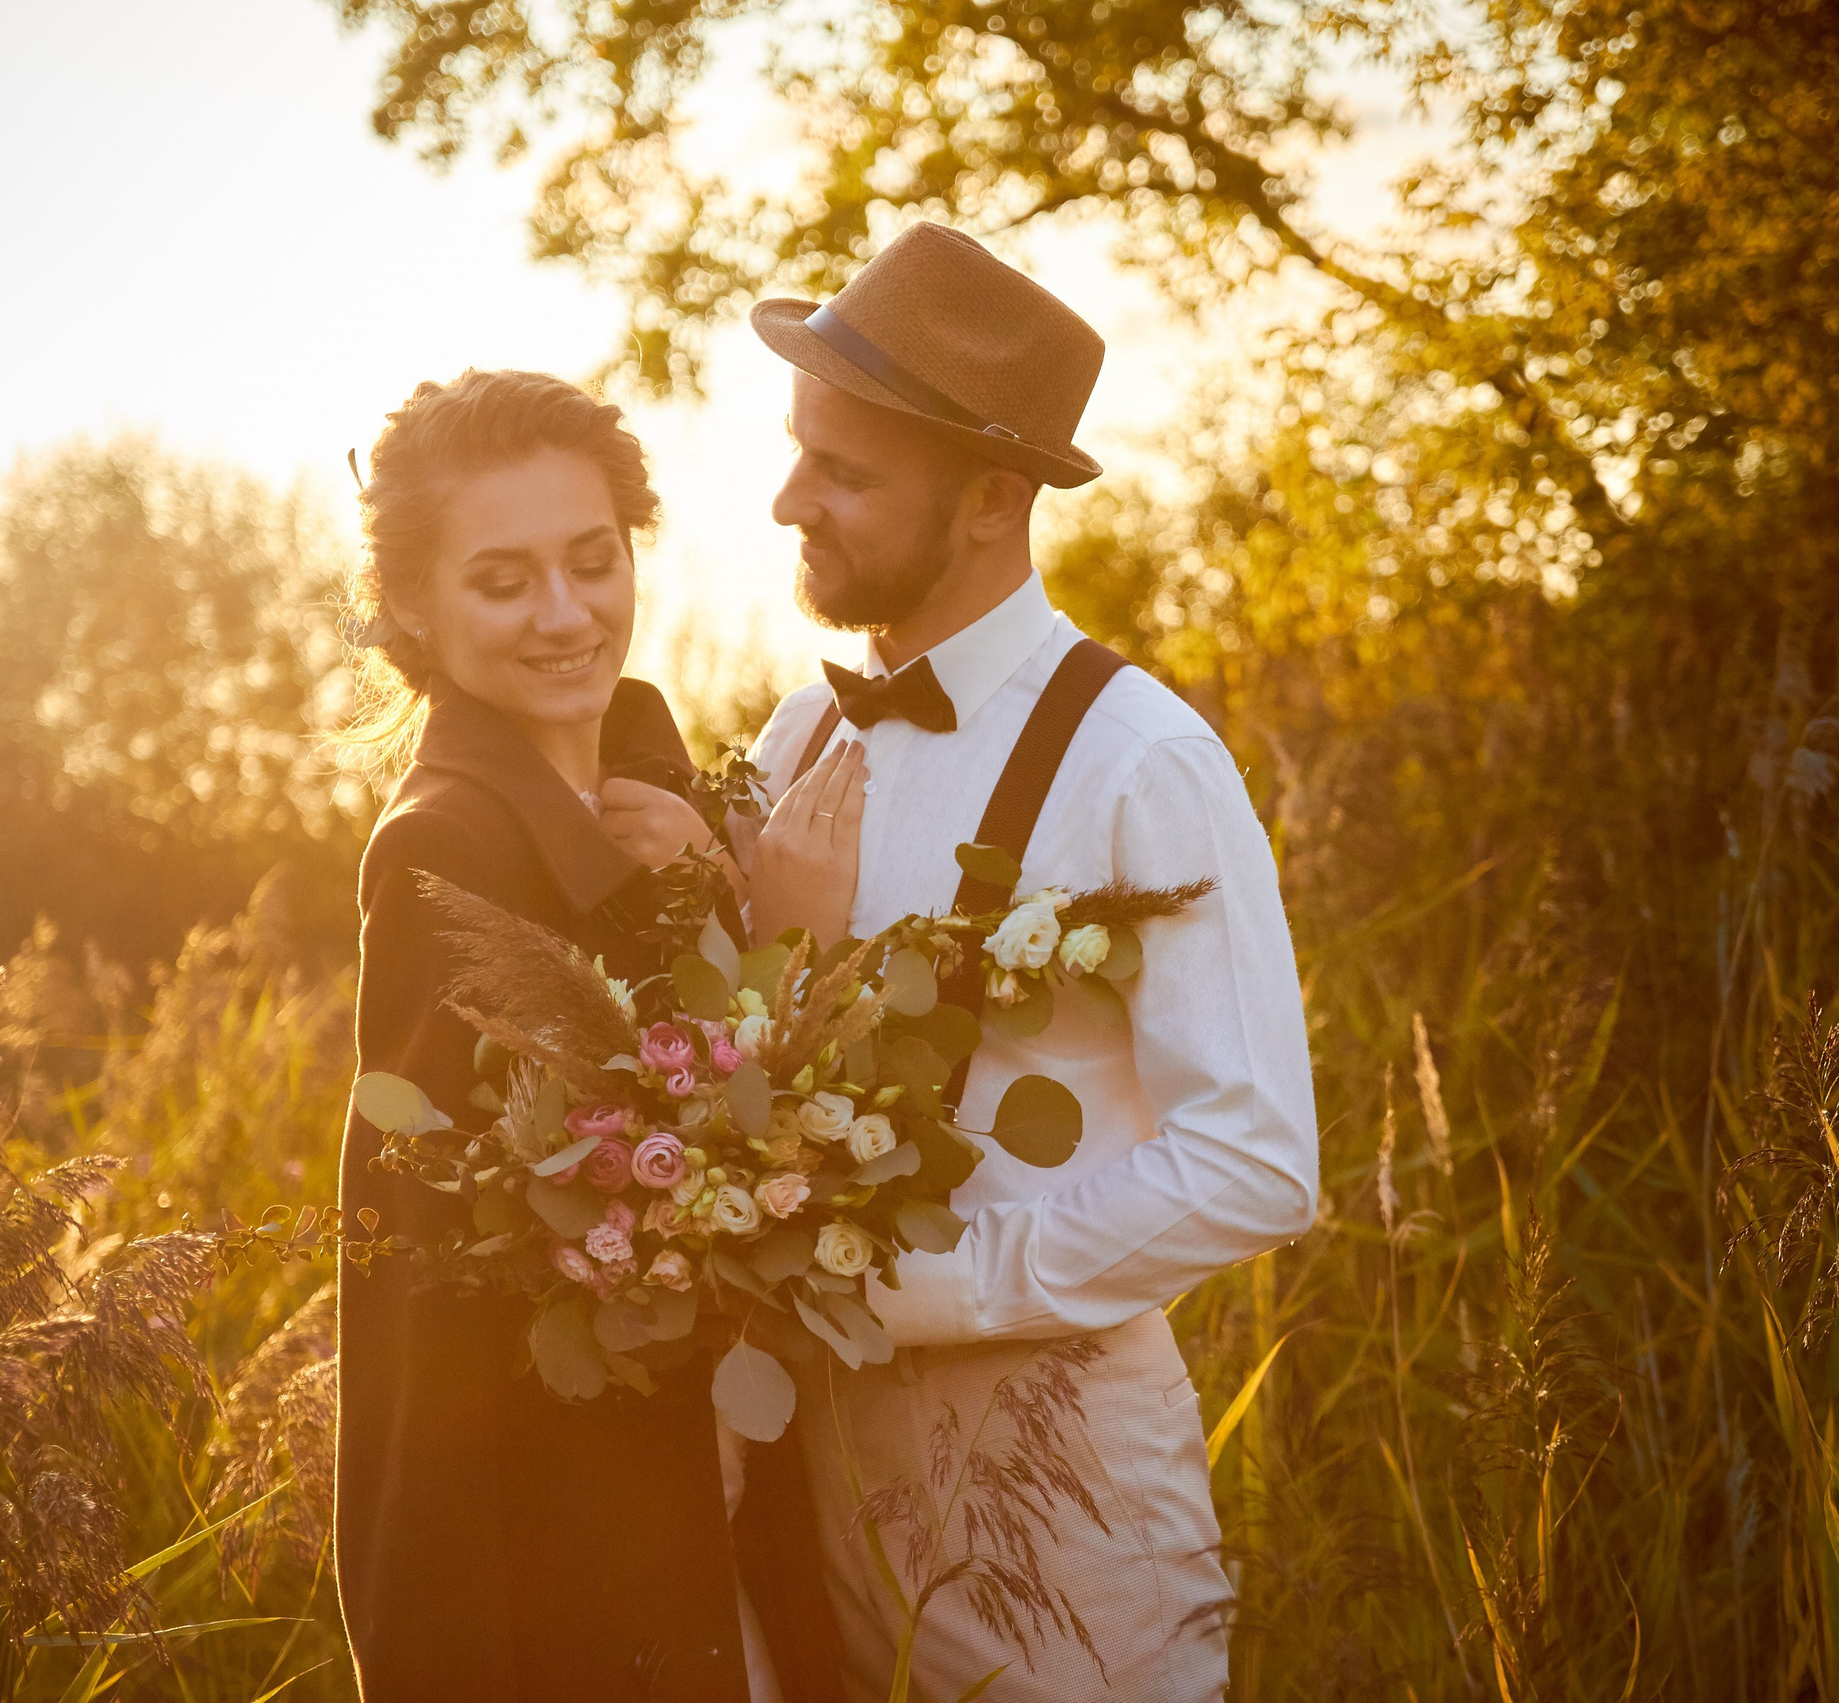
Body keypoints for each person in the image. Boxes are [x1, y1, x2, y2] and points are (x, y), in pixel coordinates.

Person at [738, 224, 1323, 1698]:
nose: (787, 500)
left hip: (1065, 1506)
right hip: (814, 1483)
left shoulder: (1145, 765)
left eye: (844, 474)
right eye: (801, 453)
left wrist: (940, 1284)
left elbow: (1259, 1157)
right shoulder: (794, 736)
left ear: (997, 497)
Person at [330, 370, 845, 1702]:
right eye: (503, 581)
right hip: (581, 1532)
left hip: (742, 1479)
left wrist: (718, 902)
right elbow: (423, 1287)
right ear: (411, 606)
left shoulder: (653, 775)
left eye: (592, 560)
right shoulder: (446, 846)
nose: (566, 615)